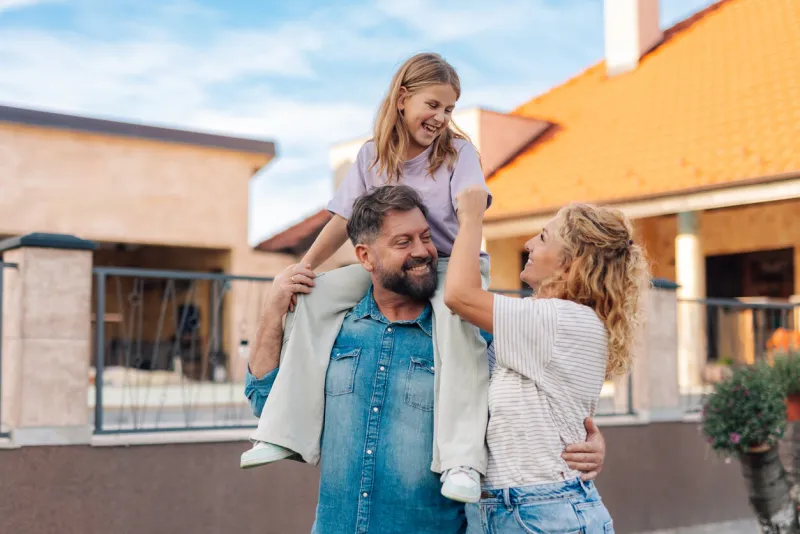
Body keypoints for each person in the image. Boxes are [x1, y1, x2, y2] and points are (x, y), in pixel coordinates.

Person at [244, 185, 607, 534]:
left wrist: (586, 440)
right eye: (403, 242)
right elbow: (266, 401)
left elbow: (530, 406)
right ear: (365, 257)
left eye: (426, 237)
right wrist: (271, 309)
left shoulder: (471, 336)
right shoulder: (334, 329)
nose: (422, 251)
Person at [241, 52, 493, 503]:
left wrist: (465, 280)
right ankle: (284, 430)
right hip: (390, 267)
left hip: (452, 262)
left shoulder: (458, 152)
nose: (441, 118)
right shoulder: (372, 156)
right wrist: (305, 268)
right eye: (432, 105)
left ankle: (461, 461)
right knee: (314, 297)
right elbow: (343, 217)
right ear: (402, 98)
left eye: (450, 109)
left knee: (458, 333)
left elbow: (472, 203)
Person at [445, 187, 649, 533]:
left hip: (539, 510)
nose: (528, 244)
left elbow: (459, 295)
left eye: (542, 238)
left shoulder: (559, 321)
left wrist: (471, 217)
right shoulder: (549, 325)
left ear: (570, 262)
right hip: (522, 509)